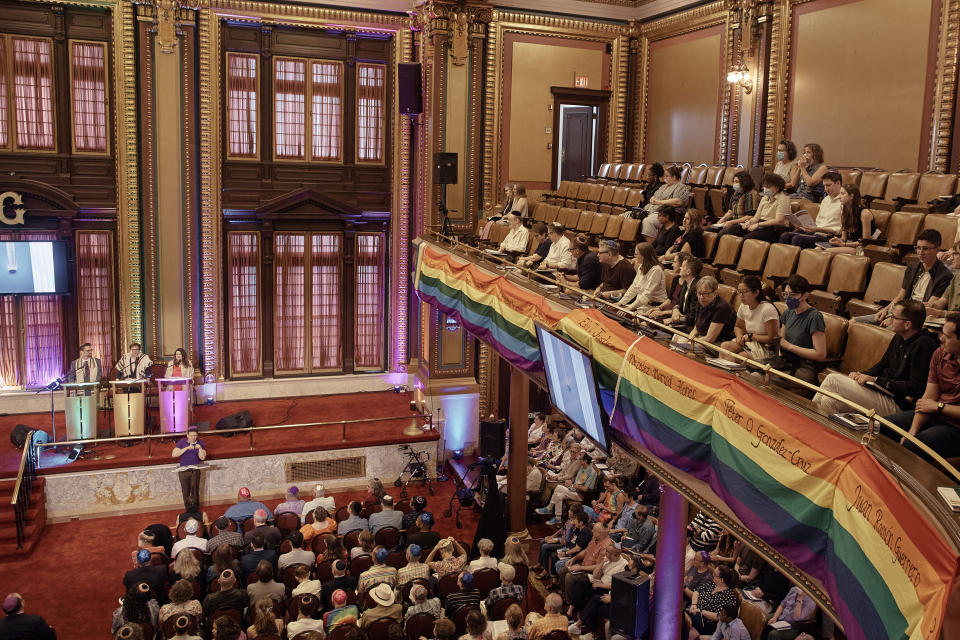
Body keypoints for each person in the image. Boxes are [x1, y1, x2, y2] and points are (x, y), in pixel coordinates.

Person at [815, 300, 938, 415]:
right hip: (882, 391)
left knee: (832, 380)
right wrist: (861, 375)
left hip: (899, 403)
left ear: (907, 324)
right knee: (829, 400)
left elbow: (915, 387)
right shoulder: (899, 336)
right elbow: (882, 364)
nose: (890, 320)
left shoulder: (924, 344)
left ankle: (808, 422)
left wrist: (877, 381)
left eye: (894, 317)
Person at [884, 312, 960, 462]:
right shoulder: (939, 354)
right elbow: (928, 399)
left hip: (956, 427)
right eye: (942, 333)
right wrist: (912, 430)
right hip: (936, 415)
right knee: (881, 427)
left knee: (914, 446)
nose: (941, 339)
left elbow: (932, 404)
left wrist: (938, 406)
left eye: (948, 336)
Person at [855, 229, 952, 327]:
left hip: (914, 321)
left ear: (937, 249)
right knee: (853, 323)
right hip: (900, 313)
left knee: (885, 332)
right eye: (918, 248)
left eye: (925, 249)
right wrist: (885, 310)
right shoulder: (912, 267)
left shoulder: (944, 276)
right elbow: (901, 296)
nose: (920, 252)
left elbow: (924, 309)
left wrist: (894, 319)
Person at [778, 275, 827, 384]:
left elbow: (820, 355)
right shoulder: (788, 312)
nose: (787, 299)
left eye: (792, 295)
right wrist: (779, 362)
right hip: (787, 362)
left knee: (761, 378)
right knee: (756, 373)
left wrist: (790, 347)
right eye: (785, 294)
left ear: (805, 295)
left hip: (804, 366)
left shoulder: (814, 317)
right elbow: (782, 342)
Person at [779, 171, 843, 247]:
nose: (826, 189)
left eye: (828, 185)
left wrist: (818, 229)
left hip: (830, 236)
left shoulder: (844, 202)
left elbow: (840, 230)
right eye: (824, 186)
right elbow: (819, 222)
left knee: (798, 239)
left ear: (838, 183)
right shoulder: (825, 200)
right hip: (816, 232)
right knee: (785, 236)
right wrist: (804, 226)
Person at [721, 275, 780, 359]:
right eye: (739, 291)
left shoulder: (767, 309)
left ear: (756, 292)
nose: (740, 295)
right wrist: (739, 336)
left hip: (764, 347)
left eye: (744, 292)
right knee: (725, 347)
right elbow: (738, 326)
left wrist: (752, 336)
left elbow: (772, 338)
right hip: (748, 341)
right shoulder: (743, 305)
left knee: (740, 357)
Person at [536, 453, 597, 525]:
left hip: (580, 495)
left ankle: (549, 508)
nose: (578, 461)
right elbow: (577, 479)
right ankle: (558, 518)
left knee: (558, 487)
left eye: (580, 459)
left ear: (585, 461)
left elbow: (585, 489)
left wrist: (573, 485)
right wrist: (571, 481)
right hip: (574, 490)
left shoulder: (592, 473)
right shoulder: (582, 467)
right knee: (559, 495)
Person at [648, 254, 702, 332]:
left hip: (691, 325)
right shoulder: (686, 282)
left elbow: (693, 317)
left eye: (683, 266)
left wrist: (672, 319)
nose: (680, 268)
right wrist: (676, 309)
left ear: (688, 271)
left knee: (656, 325)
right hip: (680, 319)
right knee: (652, 322)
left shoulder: (698, 288)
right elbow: (679, 302)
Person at [638, 166, 691, 243]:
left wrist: (659, 202)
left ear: (674, 177)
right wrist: (653, 199)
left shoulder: (681, 187)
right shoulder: (663, 186)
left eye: (667, 176)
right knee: (628, 216)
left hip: (667, 215)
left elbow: (678, 201)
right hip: (651, 210)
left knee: (647, 221)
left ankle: (652, 248)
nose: (665, 178)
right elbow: (653, 197)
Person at [686, 566, 740, 639]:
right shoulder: (713, 584)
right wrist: (694, 604)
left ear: (722, 580)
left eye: (715, 575)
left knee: (682, 619)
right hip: (695, 612)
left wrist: (701, 611)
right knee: (681, 615)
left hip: (707, 623)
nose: (712, 576)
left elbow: (720, 617)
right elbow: (697, 591)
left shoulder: (728, 596)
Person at [823, 183, 875, 255]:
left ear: (851, 196)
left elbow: (865, 242)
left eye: (842, 194)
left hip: (860, 248)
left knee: (828, 252)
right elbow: (844, 238)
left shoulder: (864, 213)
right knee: (818, 249)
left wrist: (843, 245)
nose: (839, 197)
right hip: (849, 244)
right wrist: (838, 240)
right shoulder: (845, 210)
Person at [619, 242, 667, 313]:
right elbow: (634, 287)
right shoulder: (641, 266)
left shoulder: (656, 270)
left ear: (644, 255)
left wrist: (630, 308)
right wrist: (621, 302)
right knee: (615, 310)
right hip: (641, 305)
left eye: (636, 254)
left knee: (624, 316)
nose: (634, 256)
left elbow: (647, 294)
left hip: (653, 307)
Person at [689, 277, 737, 346]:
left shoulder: (722, 308)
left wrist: (690, 343)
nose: (701, 297)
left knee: (689, 347)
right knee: (678, 338)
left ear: (715, 293)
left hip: (719, 342)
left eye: (706, 293)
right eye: (699, 293)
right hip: (702, 337)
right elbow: (697, 326)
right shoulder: (702, 301)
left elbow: (710, 339)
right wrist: (690, 337)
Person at [172, 426, 207, 512]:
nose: (193, 437)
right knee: (185, 491)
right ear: (187, 435)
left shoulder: (201, 443)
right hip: (183, 471)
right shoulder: (182, 442)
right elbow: (174, 454)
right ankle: (188, 510)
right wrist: (187, 448)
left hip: (195, 470)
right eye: (191, 435)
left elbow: (202, 458)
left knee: (195, 491)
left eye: (195, 435)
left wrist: (200, 449)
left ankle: (195, 510)